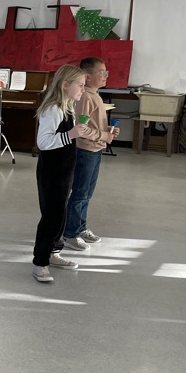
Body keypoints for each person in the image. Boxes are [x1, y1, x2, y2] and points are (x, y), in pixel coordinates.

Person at [32, 64, 101, 283]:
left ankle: (54, 253)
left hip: (64, 171)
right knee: (51, 217)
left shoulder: (68, 106)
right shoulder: (53, 109)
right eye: (79, 85)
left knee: (60, 214)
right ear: (64, 85)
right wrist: (70, 134)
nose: (83, 89)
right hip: (52, 172)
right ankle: (40, 262)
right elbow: (43, 142)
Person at [63, 57, 119, 251]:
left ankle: (80, 227)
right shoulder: (85, 97)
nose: (105, 76)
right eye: (101, 73)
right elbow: (81, 128)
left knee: (87, 193)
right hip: (85, 150)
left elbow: (92, 125)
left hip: (95, 149)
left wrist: (108, 130)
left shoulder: (95, 94)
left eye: (106, 72)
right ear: (87, 77)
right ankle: (70, 233)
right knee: (79, 193)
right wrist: (103, 135)